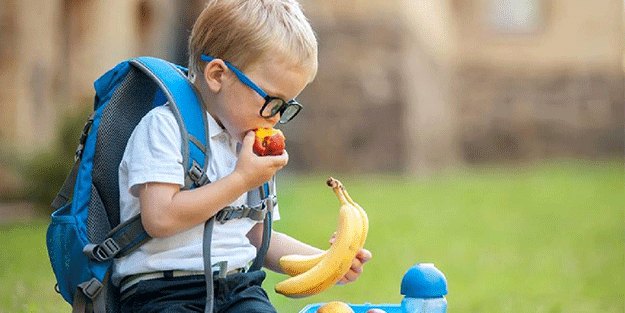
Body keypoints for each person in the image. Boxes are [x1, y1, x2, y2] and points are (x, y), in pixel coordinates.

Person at [113, 0, 372, 312]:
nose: (275, 117)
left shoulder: (248, 145)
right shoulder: (165, 128)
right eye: (271, 101)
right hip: (164, 290)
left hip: (238, 288)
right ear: (218, 75)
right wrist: (241, 179)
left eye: (285, 106)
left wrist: (328, 262)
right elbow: (159, 218)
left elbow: (255, 234)